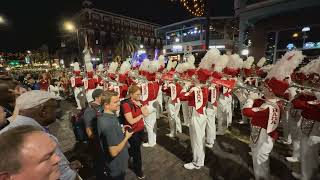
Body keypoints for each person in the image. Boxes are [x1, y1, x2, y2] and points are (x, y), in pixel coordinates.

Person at [0, 90, 82, 180]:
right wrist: (68, 171)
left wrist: (66, 166)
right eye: (55, 108)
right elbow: (67, 177)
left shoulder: (6, 133)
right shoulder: (37, 138)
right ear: (43, 111)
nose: (57, 111)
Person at [97, 90, 133, 180]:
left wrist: (120, 130)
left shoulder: (108, 115)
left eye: (119, 100)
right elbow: (113, 152)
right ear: (106, 105)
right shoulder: (109, 124)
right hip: (116, 166)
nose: (119, 103)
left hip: (118, 163)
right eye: (115, 102)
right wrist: (126, 137)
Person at [121, 85, 148, 179]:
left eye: (140, 94)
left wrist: (141, 107)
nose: (139, 96)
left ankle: (126, 155)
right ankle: (138, 171)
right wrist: (141, 116)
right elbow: (131, 121)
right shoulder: (126, 104)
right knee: (137, 153)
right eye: (137, 94)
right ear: (131, 94)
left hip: (140, 129)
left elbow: (147, 113)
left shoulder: (140, 101)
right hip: (133, 131)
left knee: (135, 148)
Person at [83, 89, 106, 180]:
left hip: (103, 140)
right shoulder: (90, 110)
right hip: (97, 142)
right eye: (102, 95)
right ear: (97, 97)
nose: (105, 97)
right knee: (99, 162)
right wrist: (97, 141)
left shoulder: (100, 106)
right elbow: (89, 131)